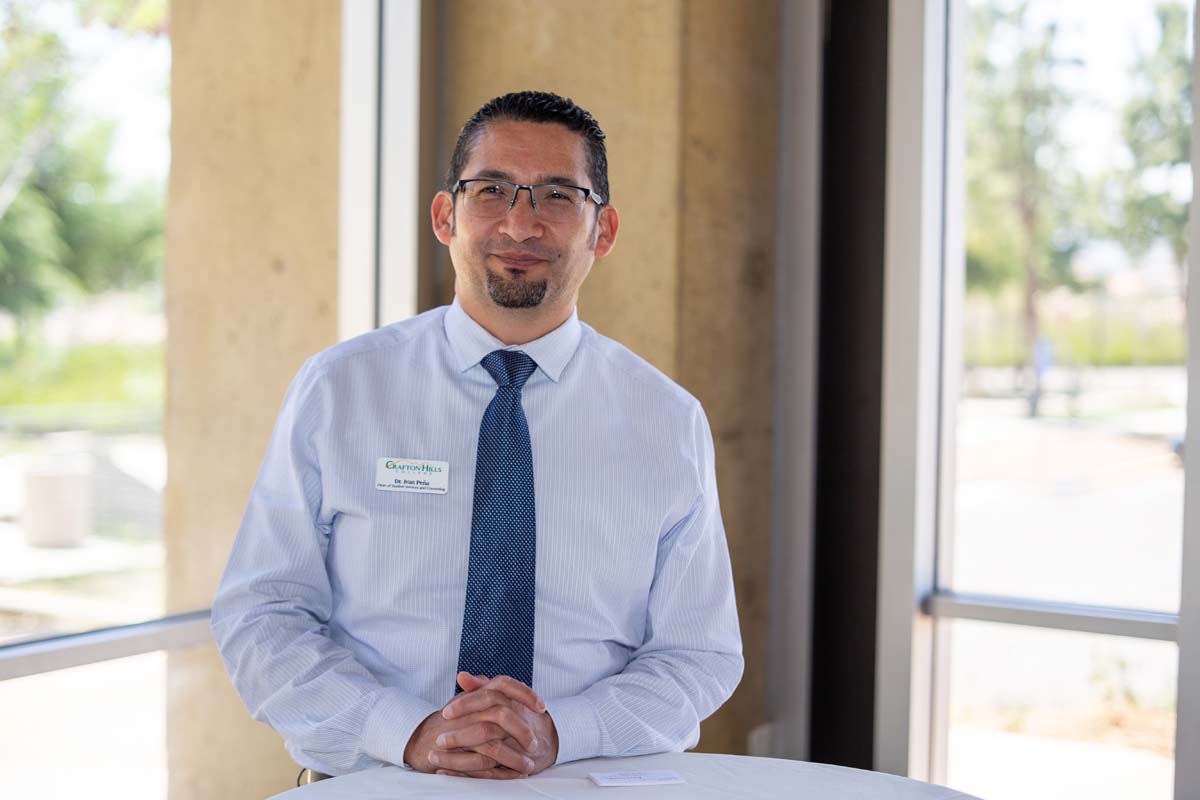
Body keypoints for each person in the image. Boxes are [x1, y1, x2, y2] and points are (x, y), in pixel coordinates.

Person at [211, 90, 743, 783]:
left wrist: (558, 733)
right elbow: (263, 614)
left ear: (603, 230)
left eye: (557, 195)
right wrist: (407, 731)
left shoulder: (666, 421)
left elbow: (697, 655)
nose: (520, 223)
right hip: (373, 783)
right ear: (445, 215)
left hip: (581, 784)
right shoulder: (341, 390)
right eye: (491, 189)